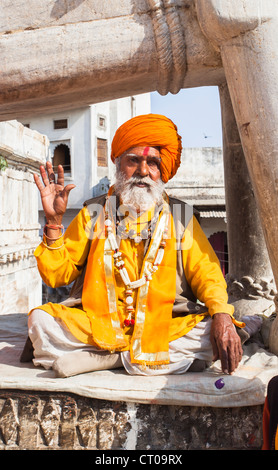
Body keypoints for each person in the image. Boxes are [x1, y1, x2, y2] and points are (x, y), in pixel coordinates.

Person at [26, 113, 244, 378]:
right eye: (134, 161)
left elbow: (207, 275)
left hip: (163, 324)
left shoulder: (179, 216)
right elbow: (57, 275)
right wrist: (53, 222)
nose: (143, 171)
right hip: (98, 325)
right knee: (41, 321)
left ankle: (108, 358)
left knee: (212, 329)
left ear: (161, 170)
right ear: (117, 163)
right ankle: (137, 358)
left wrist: (221, 314)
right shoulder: (95, 212)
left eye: (152, 162)